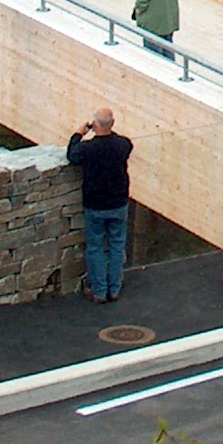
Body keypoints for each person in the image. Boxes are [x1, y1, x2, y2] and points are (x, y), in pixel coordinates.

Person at [67, 106, 134, 304]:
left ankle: (99, 290)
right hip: (118, 202)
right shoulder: (123, 145)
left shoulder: (88, 149)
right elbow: (123, 143)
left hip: (95, 204)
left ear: (94, 125)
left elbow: (72, 155)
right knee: (117, 244)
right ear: (113, 124)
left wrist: (79, 133)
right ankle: (114, 288)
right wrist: (106, 129)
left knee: (95, 246)